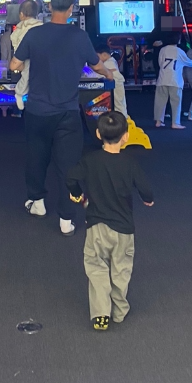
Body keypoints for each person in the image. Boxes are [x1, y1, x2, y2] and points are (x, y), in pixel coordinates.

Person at [10, 0, 110, 236]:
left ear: (49, 6)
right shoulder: (80, 36)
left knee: (36, 158)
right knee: (69, 165)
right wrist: (110, 74)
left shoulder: (34, 34)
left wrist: (23, 66)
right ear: (72, 8)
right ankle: (66, 218)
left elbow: (14, 64)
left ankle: (38, 203)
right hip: (68, 113)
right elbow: (97, 66)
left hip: (37, 111)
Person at [66, 111, 154, 332]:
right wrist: (148, 199)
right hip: (123, 228)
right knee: (121, 269)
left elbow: (70, 177)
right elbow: (145, 188)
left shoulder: (89, 160)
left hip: (96, 225)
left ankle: (100, 313)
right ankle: (119, 310)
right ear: (126, 136)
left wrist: (76, 194)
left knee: (96, 268)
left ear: (98, 134)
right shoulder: (130, 163)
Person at [153, 32, 192, 129]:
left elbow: (160, 63)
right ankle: (175, 123)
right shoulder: (179, 51)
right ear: (178, 40)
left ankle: (158, 121)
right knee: (176, 102)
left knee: (160, 101)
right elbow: (188, 62)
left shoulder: (163, 49)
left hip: (162, 78)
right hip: (175, 80)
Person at [10, 0, 43, 110]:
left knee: (26, 73)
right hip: (43, 58)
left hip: (26, 58)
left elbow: (17, 47)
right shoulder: (43, 26)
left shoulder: (20, 30)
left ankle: (19, 93)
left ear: (21, 14)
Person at [96, 43, 127, 116]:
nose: (96, 59)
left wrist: (86, 70)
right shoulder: (111, 61)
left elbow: (99, 73)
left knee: (118, 107)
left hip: (116, 91)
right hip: (116, 91)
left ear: (104, 55)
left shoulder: (109, 63)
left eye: (97, 56)